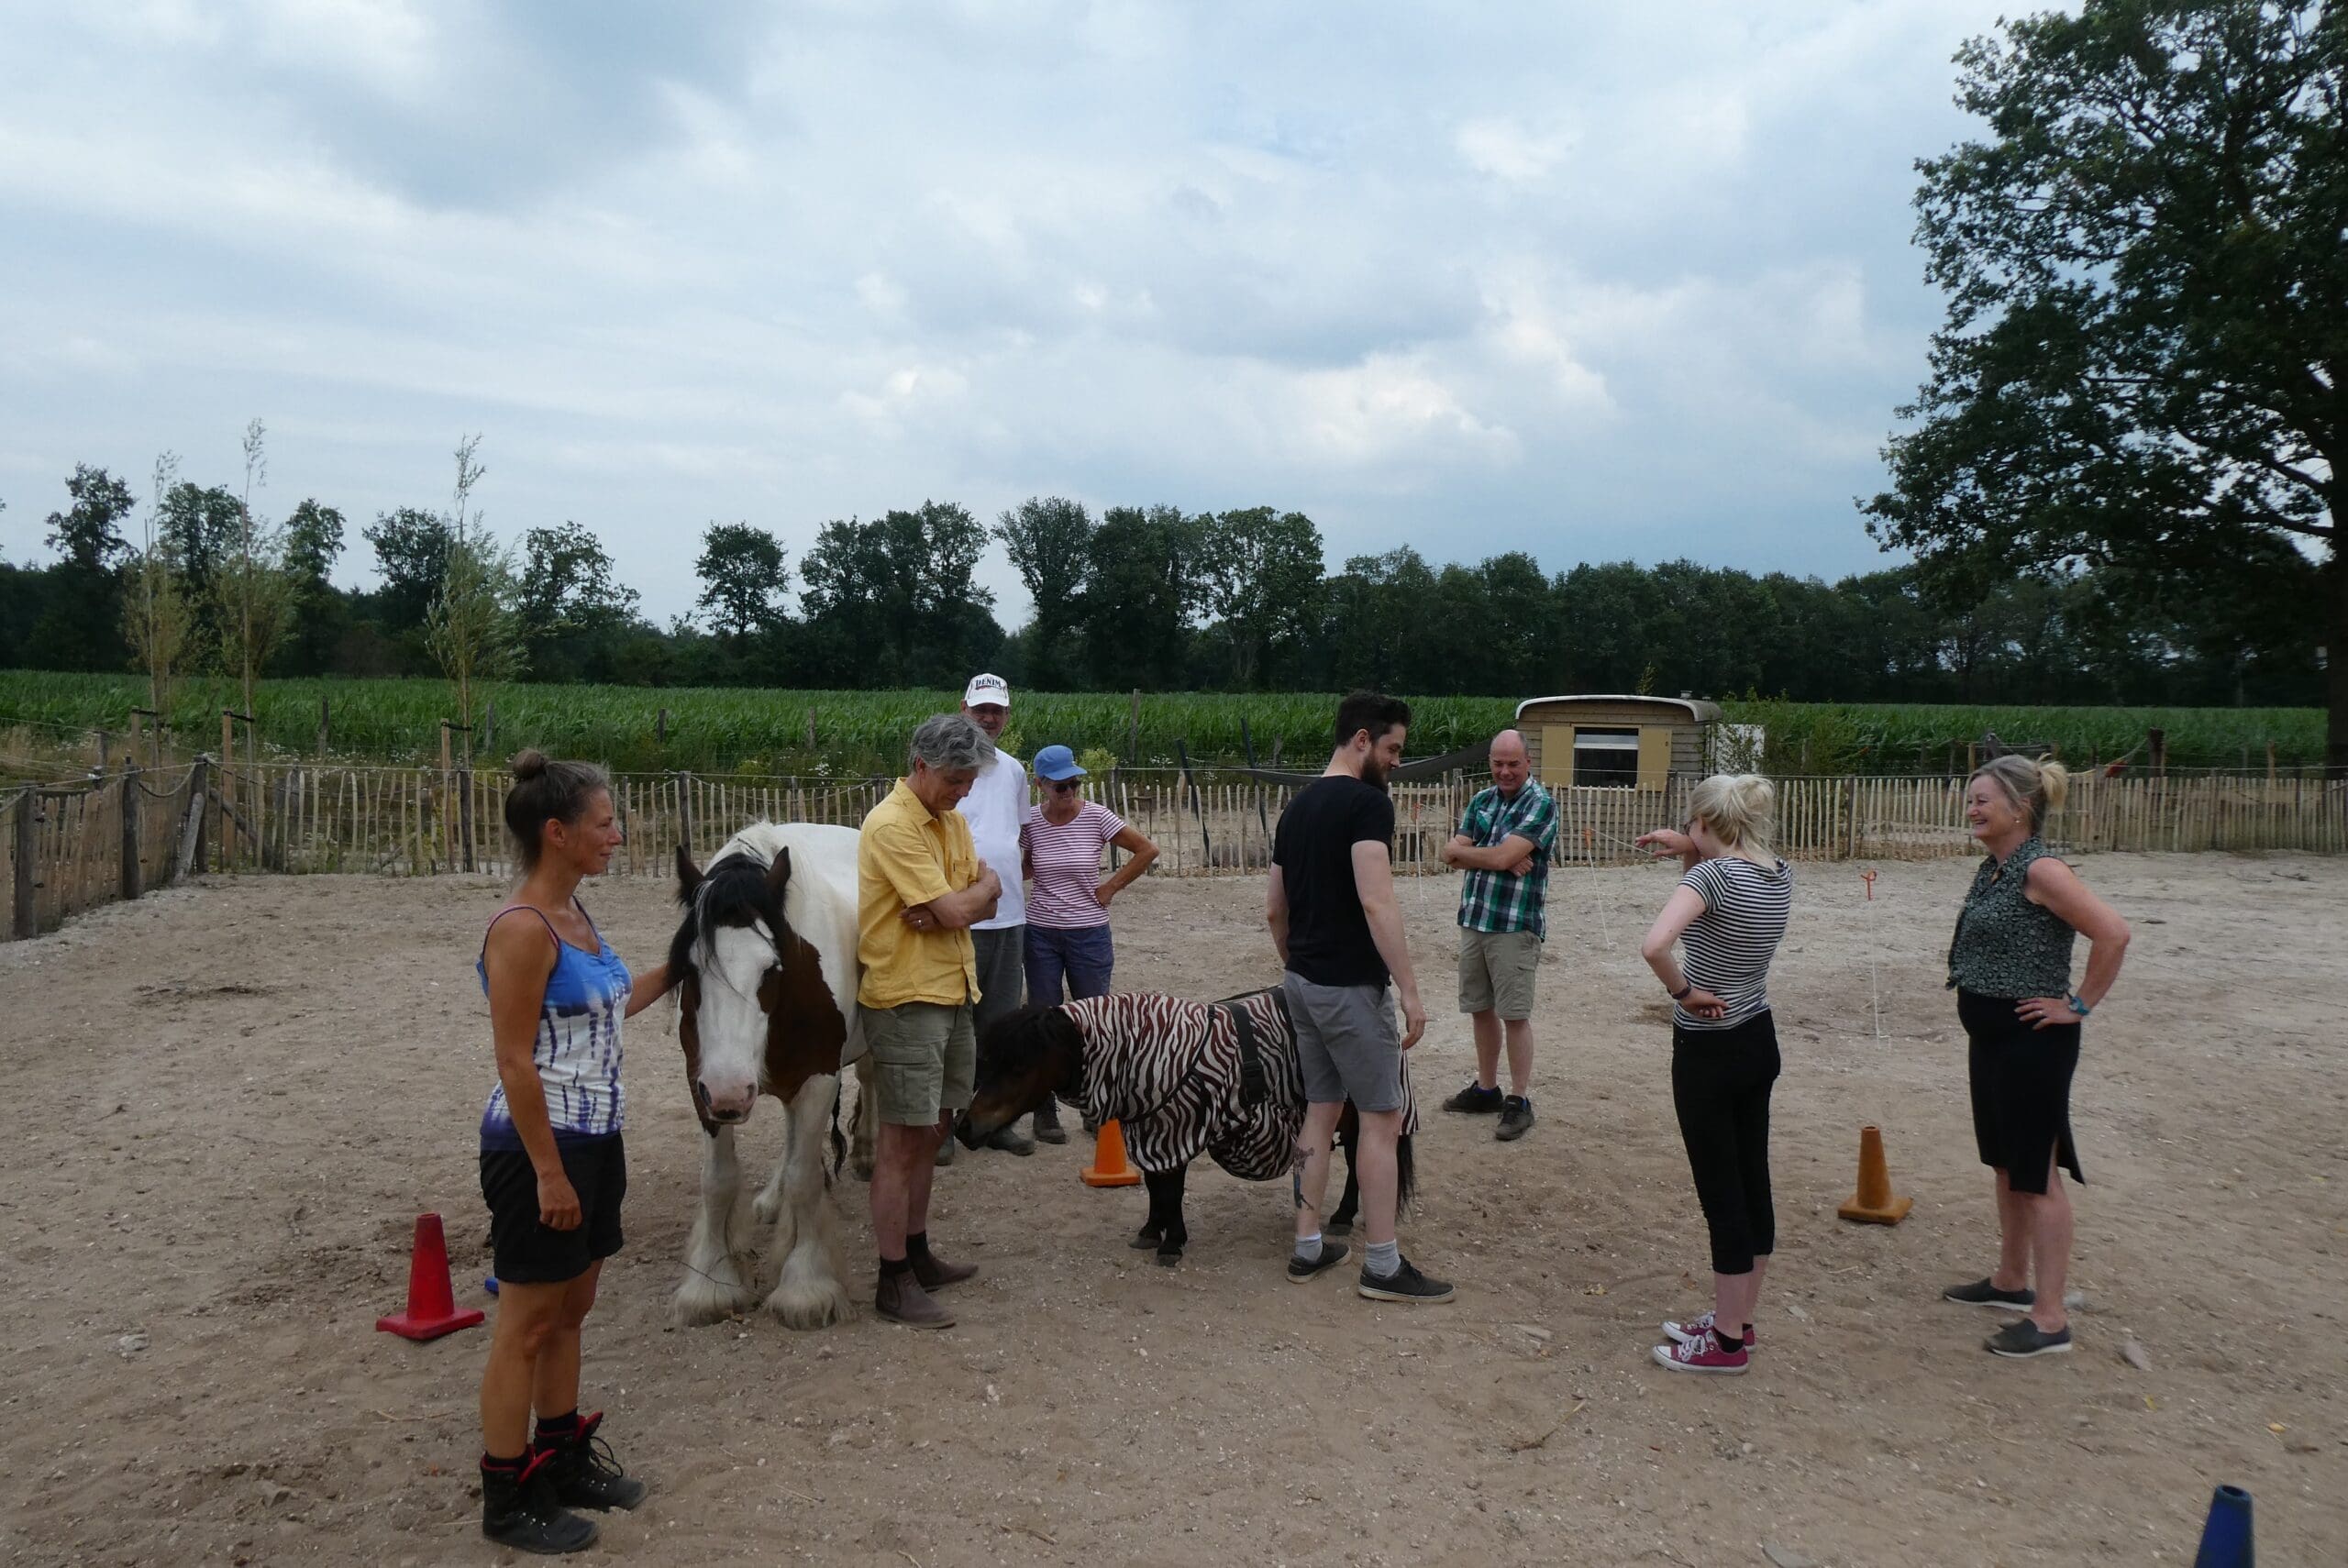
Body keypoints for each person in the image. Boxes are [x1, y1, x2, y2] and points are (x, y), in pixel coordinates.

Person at [474, 752, 672, 1552]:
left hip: (597, 1138)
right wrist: (549, 1173)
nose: (617, 836)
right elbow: (515, 1061)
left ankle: (559, 1456)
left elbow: (611, 1007)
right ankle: (505, 1494)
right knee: (526, 1324)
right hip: (541, 1148)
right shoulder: (523, 929)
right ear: (556, 833)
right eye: (604, 824)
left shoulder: (577, 916)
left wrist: (683, 961)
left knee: (571, 1311)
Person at [1941, 756, 2130, 1358]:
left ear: (2020, 808)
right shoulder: (1995, 868)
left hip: (2032, 1044)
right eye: (1971, 799)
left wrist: (2078, 1004)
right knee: (2006, 1164)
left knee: (2037, 1175)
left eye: (1983, 800)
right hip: (1994, 1040)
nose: (1972, 809)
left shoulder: (2042, 869)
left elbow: (2113, 932)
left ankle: (2050, 1320)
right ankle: (2010, 1281)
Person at [1269, 690, 1453, 1305]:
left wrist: (1298, 965)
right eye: (1394, 748)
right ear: (1362, 740)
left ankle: (1307, 1245)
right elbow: (1377, 901)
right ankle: (1381, 1264)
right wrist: (1410, 991)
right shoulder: (1368, 804)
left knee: (1320, 1111)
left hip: (1302, 983)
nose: (1398, 761)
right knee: (1381, 1119)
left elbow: (1274, 910)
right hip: (1349, 986)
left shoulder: (1296, 809)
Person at [1635, 775, 1791, 1376]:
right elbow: (1720, 890)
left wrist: (1683, 992)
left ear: (1703, 823)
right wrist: (1689, 846)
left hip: (1708, 1046)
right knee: (1752, 1183)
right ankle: (1739, 1319)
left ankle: (1725, 1343)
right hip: (1757, 1035)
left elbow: (1655, 945)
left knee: (1721, 1194)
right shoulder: (1777, 873)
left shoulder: (1710, 879)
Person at [858, 712, 1002, 1329]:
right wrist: (963, 902)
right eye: (954, 779)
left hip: (952, 989)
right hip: (907, 997)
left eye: (968, 781)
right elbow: (962, 905)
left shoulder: (951, 822)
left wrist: (964, 902)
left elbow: (985, 895)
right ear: (921, 766)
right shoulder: (892, 824)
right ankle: (892, 1279)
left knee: (932, 1130)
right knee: (900, 1139)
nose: (963, 791)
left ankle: (916, 1254)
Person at [1438, 728, 1558, 1142]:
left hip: (1514, 925)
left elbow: (1481, 853)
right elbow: (1448, 853)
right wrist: (1498, 858)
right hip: (1476, 919)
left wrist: (1491, 855)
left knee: (1515, 1014)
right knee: (1480, 1008)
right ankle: (1487, 1089)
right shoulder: (1481, 800)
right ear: (1489, 762)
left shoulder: (1541, 803)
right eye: (1498, 763)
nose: (1505, 771)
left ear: (1528, 762)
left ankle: (1519, 1100)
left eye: (1513, 764)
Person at [956, 673, 1036, 1155]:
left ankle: (992, 1122)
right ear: (963, 708)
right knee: (955, 1022)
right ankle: (947, 1123)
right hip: (960, 915)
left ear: (1007, 715)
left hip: (1009, 915)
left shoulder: (1014, 770)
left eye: (997, 710)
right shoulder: (947, 767)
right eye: (981, 709)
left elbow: (1020, 834)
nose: (989, 718)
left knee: (1000, 1024)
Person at [1022, 741, 1159, 1002]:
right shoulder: (1031, 821)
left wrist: (1111, 887)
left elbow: (1147, 850)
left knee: (1094, 1010)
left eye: (1074, 783)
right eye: (1060, 786)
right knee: (1043, 1011)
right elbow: (1029, 866)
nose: (1069, 791)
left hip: (1088, 932)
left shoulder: (1097, 816)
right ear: (1040, 785)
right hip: (1040, 932)